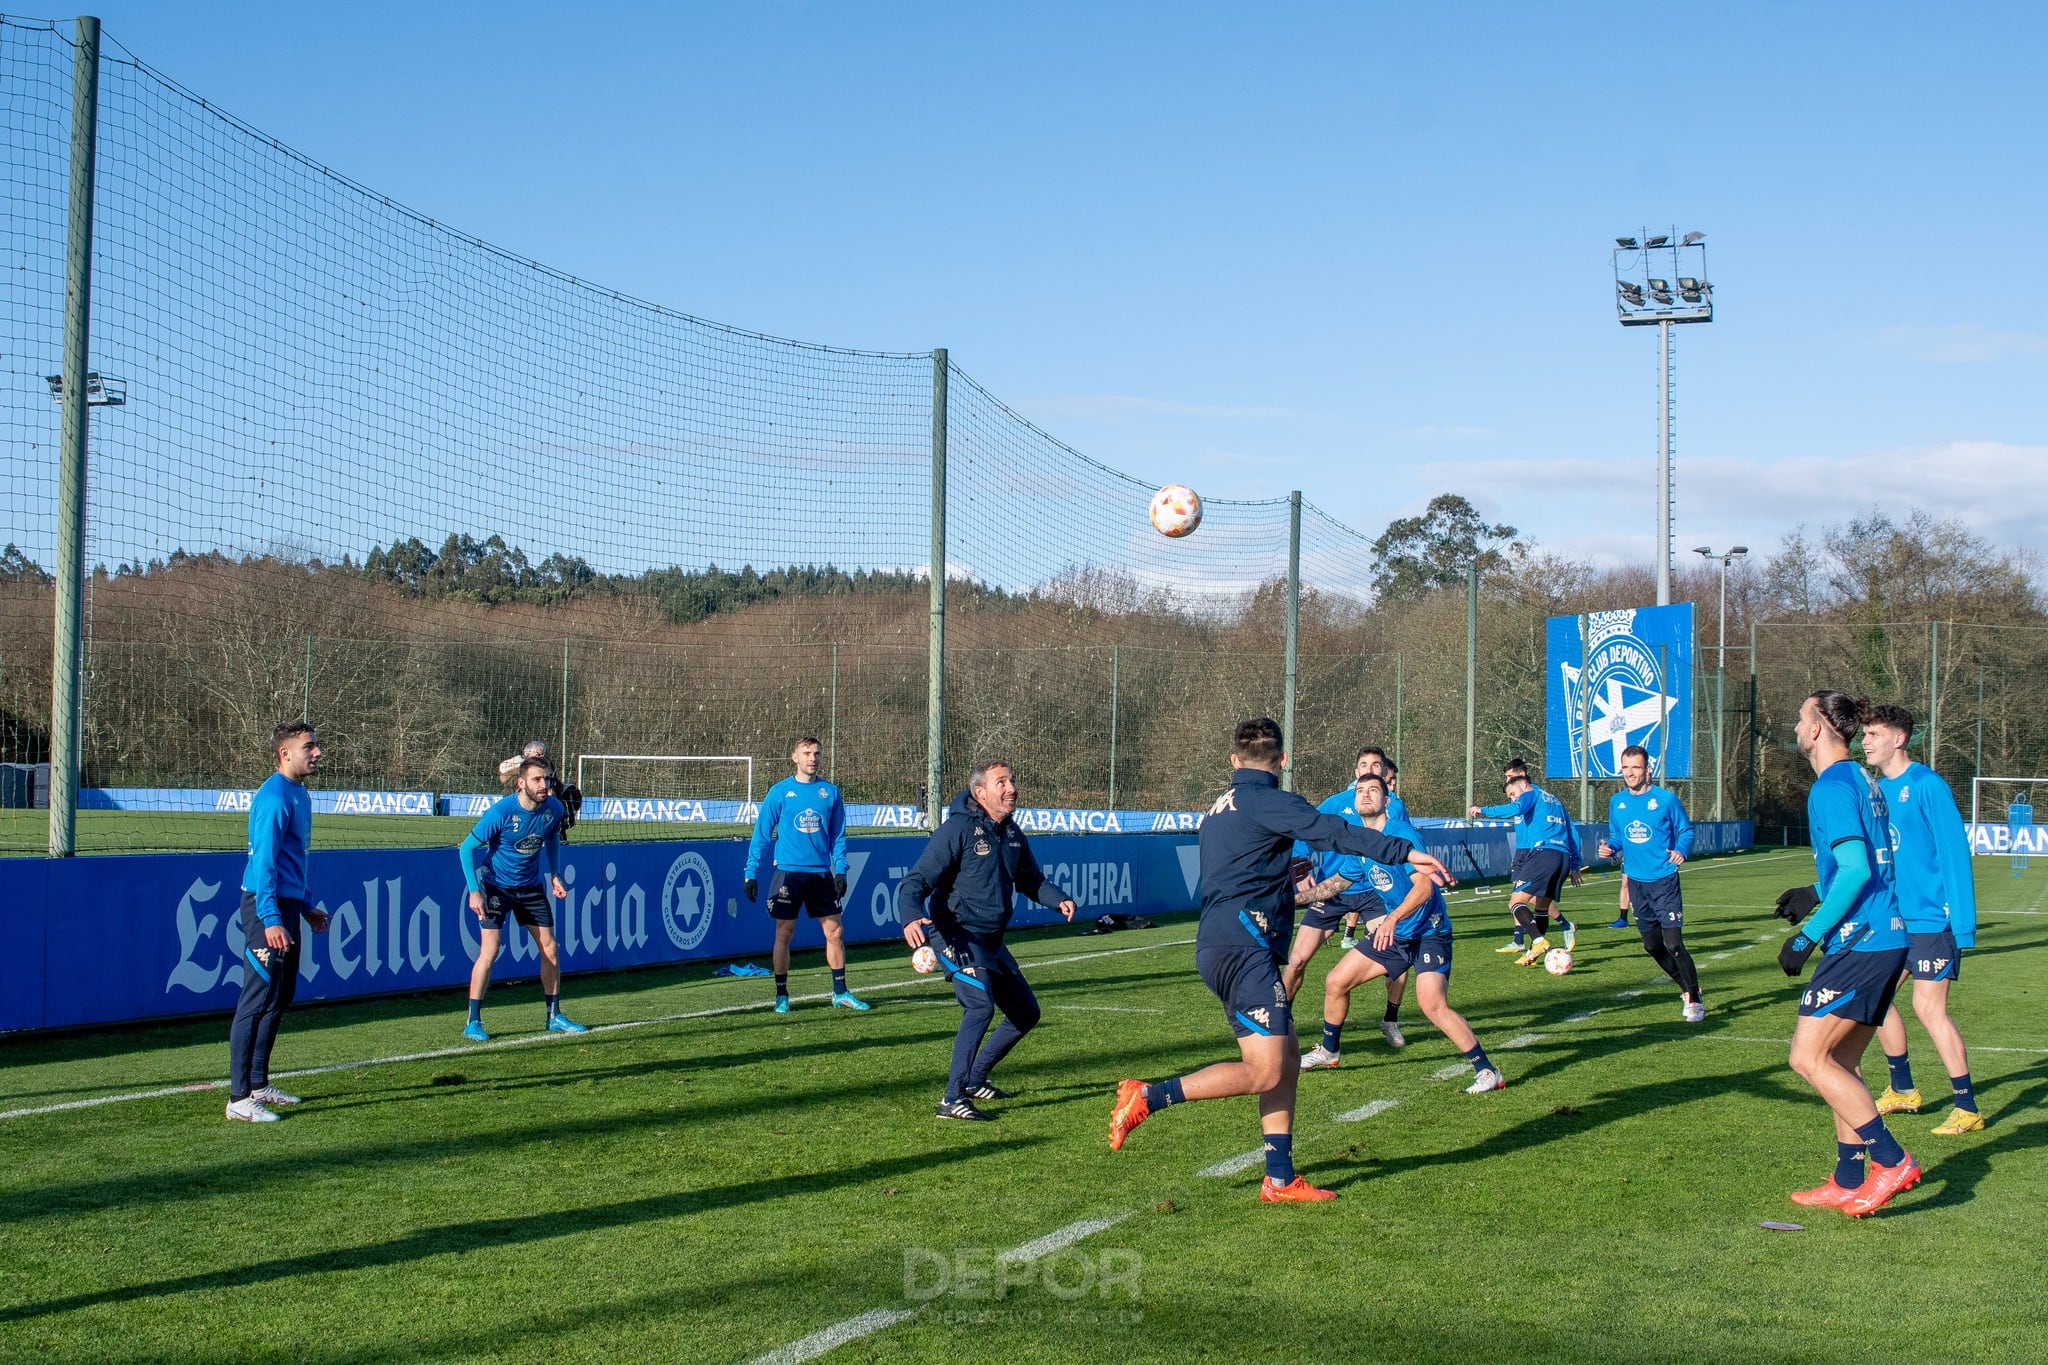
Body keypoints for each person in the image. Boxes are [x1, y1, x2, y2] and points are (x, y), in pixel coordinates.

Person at [1108, 718, 1453, 1203]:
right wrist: (1404, 853)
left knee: (1287, 1058)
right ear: (1283, 761)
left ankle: (1279, 1177)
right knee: (1266, 1070)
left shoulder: (1219, 808)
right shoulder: (1270, 801)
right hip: (1242, 948)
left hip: (1226, 942)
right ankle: (1147, 1096)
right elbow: (1335, 831)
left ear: (1234, 761)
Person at [1774, 691, 1918, 1216]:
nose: (1795, 726)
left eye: (1800, 717)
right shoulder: (1861, 777)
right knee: (1842, 1061)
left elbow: (1857, 869)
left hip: (1863, 939)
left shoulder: (1832, 787)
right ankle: (1847, 1176)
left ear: (1817, 729)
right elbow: (1870, 859)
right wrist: (1816, 889)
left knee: (1807, 1057)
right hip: (1887, 934)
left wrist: (1806, 935)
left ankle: (1892, 1159)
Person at [1296, 773, 1504, 1091]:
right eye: (1360, 790)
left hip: (1427, 932)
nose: (1365, 794)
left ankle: (1487, 1070)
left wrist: (1392, 919)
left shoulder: (1401, 834)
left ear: (1387, 800)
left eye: (1373, 790)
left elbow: (1424, 886)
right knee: (1336, 982)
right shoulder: (1361, 843)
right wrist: (1294, 899)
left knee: (1432, 1003)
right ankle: (1329, 1050)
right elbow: (1336, 884)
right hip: (1397, 934)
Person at [899, 760, 1077, 1120]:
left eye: (1012, 780)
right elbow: (915, 881)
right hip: (955, 933)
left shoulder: (1011, 833)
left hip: (991, 940)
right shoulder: (958, 829)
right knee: (980, 1006)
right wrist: (909, 916)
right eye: (1002, 782)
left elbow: (1030, 879)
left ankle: (977, 1078)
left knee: (1026, 1013)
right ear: (980, 793)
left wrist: (1058, 898)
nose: (1011, 788)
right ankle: (952, 1099)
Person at [1861, 704, 1982, 1136]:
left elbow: (1953, 855)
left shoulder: (1928, 786)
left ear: (1899, 738)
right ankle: (1903, 1089)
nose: (1865, 742)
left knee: (1928, 1009)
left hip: (1932, 921)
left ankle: (1967, 1107)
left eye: (1873, 734)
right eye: (1864, 734)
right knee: (1875, 1000)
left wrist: (1962, 925)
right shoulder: (1876, 791)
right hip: (1893, 921)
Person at [225, 720, 331, 1122]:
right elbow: (265, 864)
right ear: (285, 753)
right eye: (310, 747)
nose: (317, 752)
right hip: (263, 908)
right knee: (257, 998)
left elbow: (290, 864)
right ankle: (238, 1099)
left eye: (317, 745)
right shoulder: (273, 798)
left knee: (280, 996)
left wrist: (304, 905)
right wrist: (270, 918)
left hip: (285, 906)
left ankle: (257, 1083)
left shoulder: (299, 794)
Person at [460, 755, 584, 1040]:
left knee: (550, 948)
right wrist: (474, 891)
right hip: (496, 887)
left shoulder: (552, 808)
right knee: (490, 950)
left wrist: (554, 874)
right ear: (521, 783)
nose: (545, 785)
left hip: (530, 887)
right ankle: (473, 1021)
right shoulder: (501, 812)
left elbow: (552, 836)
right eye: (537, 780)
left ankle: (554, 1016)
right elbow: (466, 849)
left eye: (548, 779)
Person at [744, 736, 864, 1012]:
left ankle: (840, 992)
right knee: (784, 932)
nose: (813, 758)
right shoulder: (780, 792)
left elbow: (838, 836)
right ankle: (782, 995)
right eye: (807, 753)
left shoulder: (830, 792)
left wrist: (841, 870)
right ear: (794, 757)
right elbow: (762, 835)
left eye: (817, 753)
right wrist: (750, 873)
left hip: (820, 873)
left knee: (835, 931)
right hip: (788, 873)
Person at [1598, 745, 1704, 1021]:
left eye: (1635, 767)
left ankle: (1694, 999)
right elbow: (1618, 835)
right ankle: (1685, 987)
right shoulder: (1617, 802)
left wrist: (1681, 849)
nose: (1630, 773)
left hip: (1664, 880)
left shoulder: (1666, 800)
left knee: (1674, 943)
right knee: (1652, 946)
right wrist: (1609, 847)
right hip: (1636, 883)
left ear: (1648, 770)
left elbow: (1686, 830)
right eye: (1625, 768)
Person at [1313, 747, 1411, 1041]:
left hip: (1373, 892)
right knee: (1297, 960)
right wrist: (1300, 865)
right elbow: (1306, 830)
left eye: (1376, 765)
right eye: (1364, 765)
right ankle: (1282, 1019)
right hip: (1336, 889)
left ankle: (1390, 1020)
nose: (1370, 769)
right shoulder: (1336, 803)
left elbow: (1409, 856)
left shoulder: (1397, 811)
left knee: (1399, 963)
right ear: (1355, 772)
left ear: (1384, 774)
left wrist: (1400, 904)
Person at [1469, 759, 1581, 964]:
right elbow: (1572, 832)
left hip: (1542, 853)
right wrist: (1575, 864)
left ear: (1523, 780)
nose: (1513, 799)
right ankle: (1533, 950)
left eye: (1512, 793)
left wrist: (1484, 809)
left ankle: (1538, 939)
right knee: (1541, 907)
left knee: (1516, 902)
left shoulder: (1530, 794)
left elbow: (1516, 809)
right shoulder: (1554, 799)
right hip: (1562, 857)